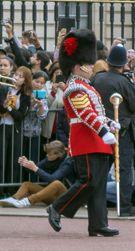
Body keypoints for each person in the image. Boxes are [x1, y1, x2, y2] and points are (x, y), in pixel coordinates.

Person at [46, 29, 120, 237]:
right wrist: (104, 130)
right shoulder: (75, 87)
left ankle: (98, 224)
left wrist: (109, 124)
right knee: (88, 180)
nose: (92, 67)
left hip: (97, 139)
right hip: (86, 140)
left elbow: (95, 113)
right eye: (88, 64)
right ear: (78, 66)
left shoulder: (86, 86)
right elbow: (86, 114)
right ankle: (56, 207)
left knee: (98, 184)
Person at [91, 44, 135, 217]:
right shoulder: (124, 81)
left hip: (99, 129)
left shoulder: (97, 78)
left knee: (100, 169)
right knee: (124, 169)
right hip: (120, 130)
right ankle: (125, 206)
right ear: (123, 65)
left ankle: (96, 206)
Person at [0, 141, 75, 208]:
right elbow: (35, 169)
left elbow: (52, 179)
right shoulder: (50, 158)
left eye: (49, 154)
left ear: (58, 154)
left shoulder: (68, 162)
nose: (47, 155)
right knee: (26, 184)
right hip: (54, 197)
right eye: (47, 153)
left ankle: (28, 201)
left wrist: (34, 168)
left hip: (68, 197)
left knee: (57, 183)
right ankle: (15, 199)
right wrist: (26, 164)